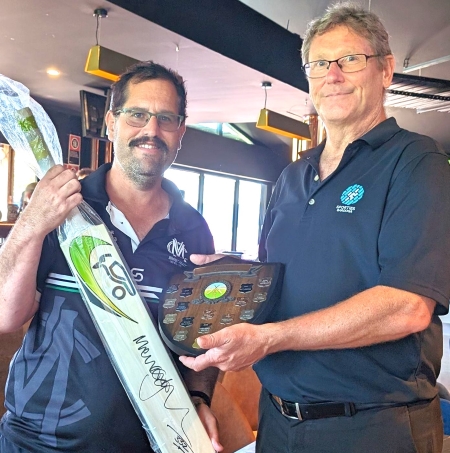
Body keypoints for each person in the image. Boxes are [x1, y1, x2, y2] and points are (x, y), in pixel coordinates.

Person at [180, 3, 450, 452]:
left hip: (371, 428)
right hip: (278, 421)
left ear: (385, 70)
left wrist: (270, 338)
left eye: (350, 60)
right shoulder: (293, 175)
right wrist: (236, 275)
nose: (333, 75)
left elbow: (407, 307)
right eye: (320, 63)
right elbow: (285, 277)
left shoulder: (417, 162)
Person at [0, 61, 222, 452]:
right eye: (137, 114)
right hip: (36, 443)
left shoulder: (194, 230)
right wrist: (32, 222)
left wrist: (199, 400)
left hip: (145, 443)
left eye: (166, 118)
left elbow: (200, 340)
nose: (151, 130)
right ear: (111, 122)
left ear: (180, 131)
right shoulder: (65, 206)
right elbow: (5, 315)